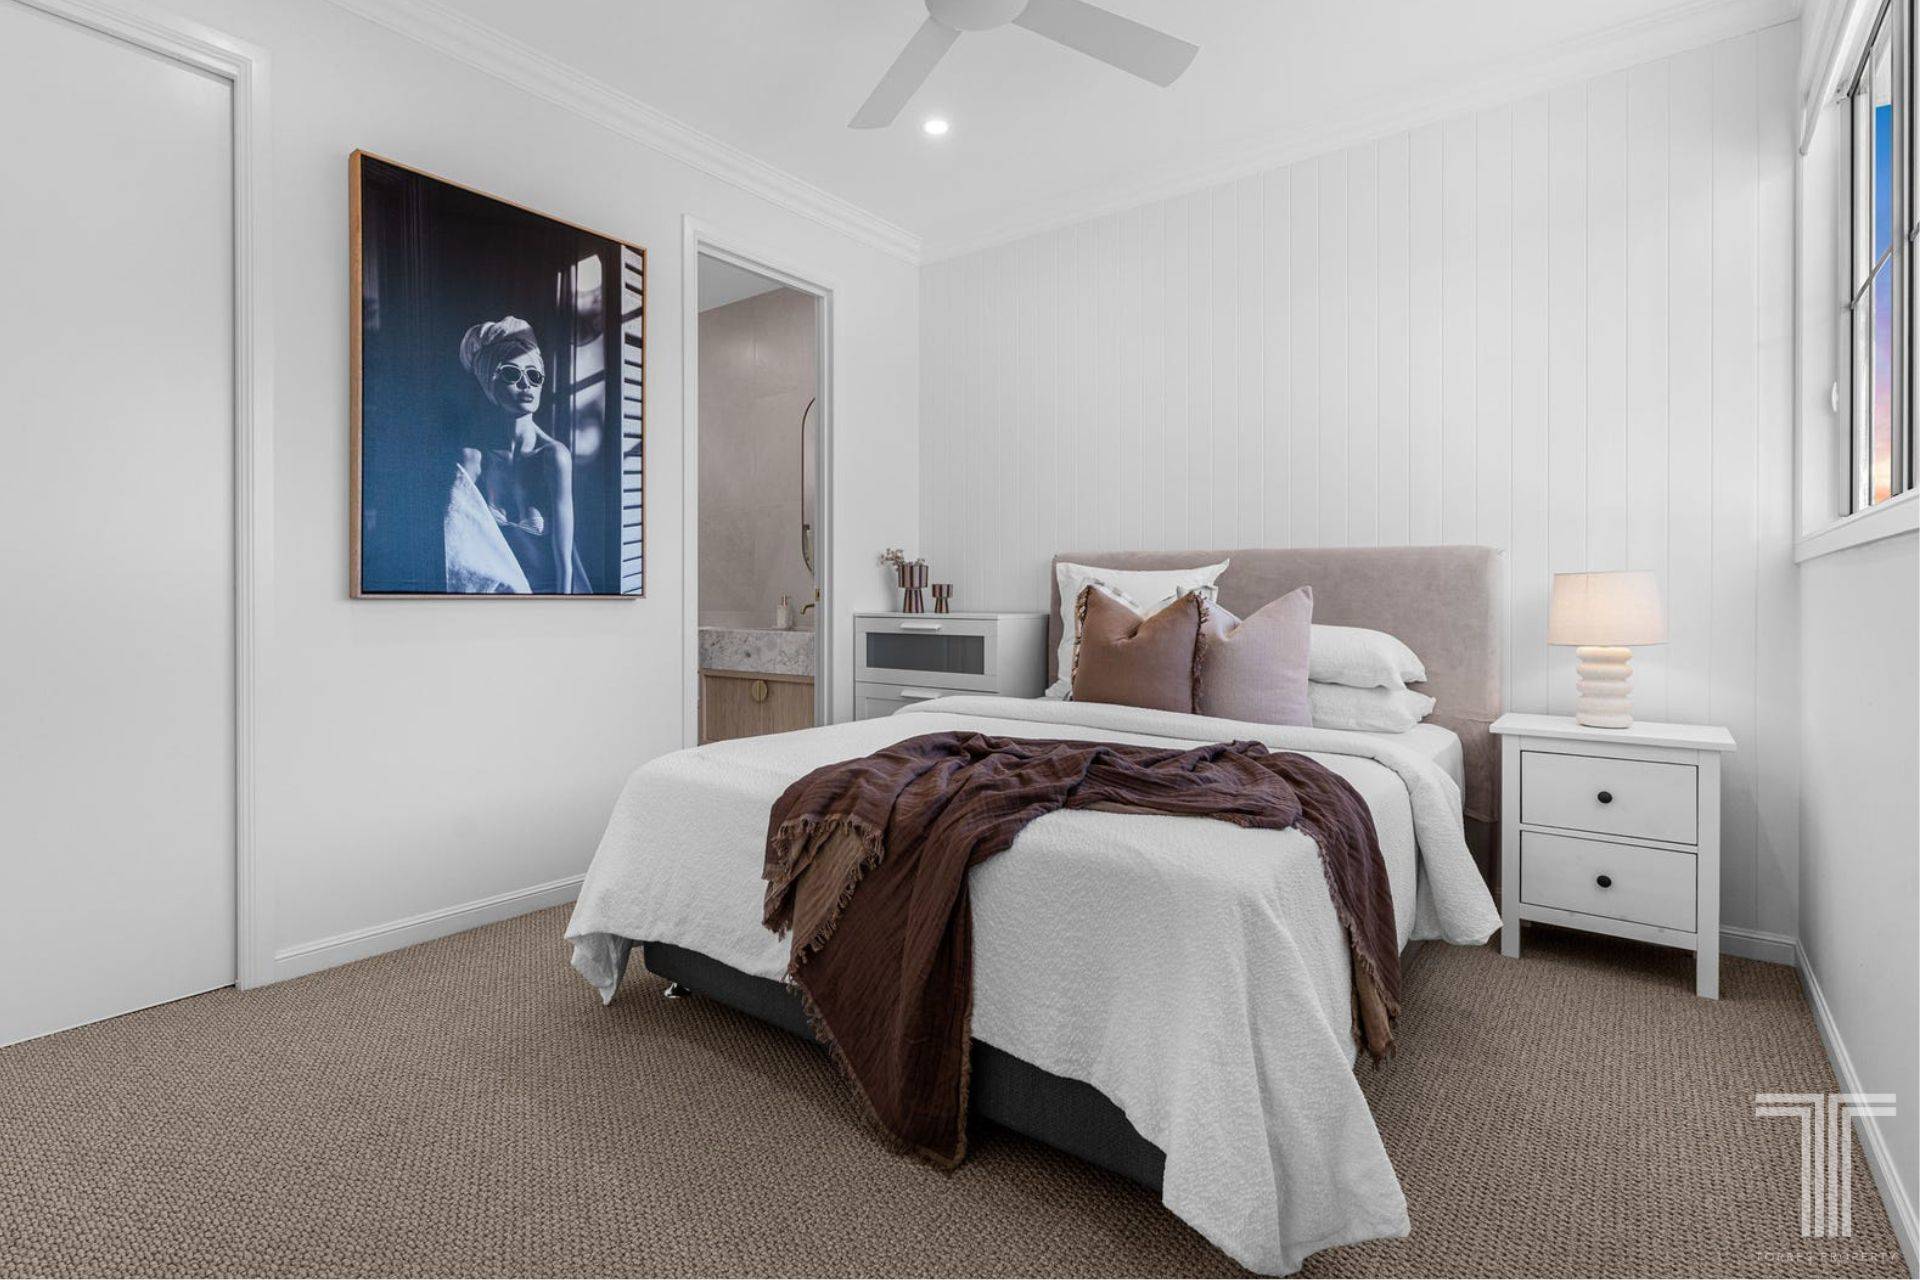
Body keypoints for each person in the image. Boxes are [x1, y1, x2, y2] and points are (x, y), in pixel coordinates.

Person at [445, 316, 592, 593]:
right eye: (512, 374)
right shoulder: (473, 460)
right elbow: (457, 547)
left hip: (547, 596)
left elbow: (565, 561)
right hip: (494, 599)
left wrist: (563, 608)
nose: (527, 384)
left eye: (534, 376)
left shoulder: (553, 457)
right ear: (488, 382)